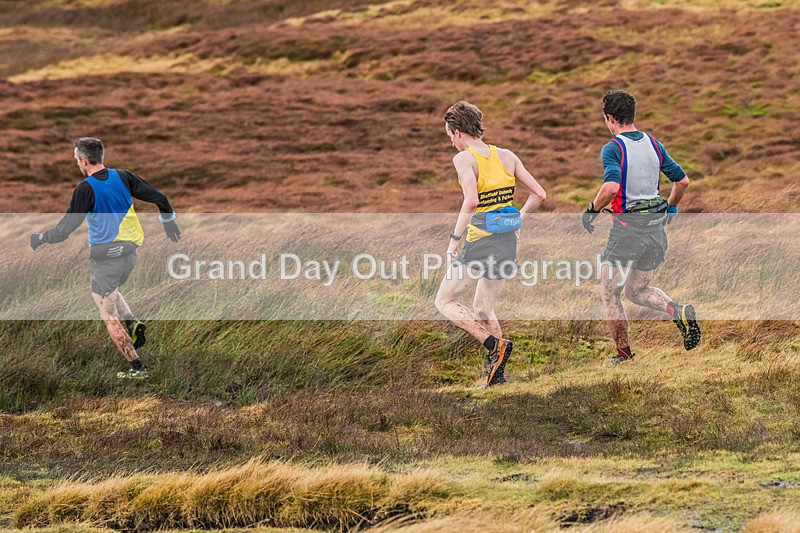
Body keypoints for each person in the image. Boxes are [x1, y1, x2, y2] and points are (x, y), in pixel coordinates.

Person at [30, 137, 181, 379]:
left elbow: (64, 231)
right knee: (111, 290)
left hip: (105, 259)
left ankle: (137, 367)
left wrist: (39, 238)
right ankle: (132, 323)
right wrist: (168, 220)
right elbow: (159, 197)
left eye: (76, 161)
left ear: (83, 160)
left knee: (107, 313)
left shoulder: (85, 189)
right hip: (130, 254)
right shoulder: (124, 177)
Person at [582, 90, 700, 364]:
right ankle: (677, 310)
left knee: (610, 293)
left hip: (626, 231)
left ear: (610, 118)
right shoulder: (653, 144)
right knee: (635, 291)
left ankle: (623, 355)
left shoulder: (613, 148)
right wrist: (671, 207)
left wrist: (591, 210)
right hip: (656, 232)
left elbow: (611, 187)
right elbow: (682, 181)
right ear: (632, 115)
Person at [435, 101, 546, 389]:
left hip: (480, 241)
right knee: (484, 308)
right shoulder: (507, 156)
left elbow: (471, 201)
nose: (451, 142)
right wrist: (517, 220)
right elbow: (539, 194)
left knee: (444, 300)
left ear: (458, 132)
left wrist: (454, 239)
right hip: (507, 242)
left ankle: (493, 345)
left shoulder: (464, 159)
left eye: (450, 136)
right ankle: (498, 376)